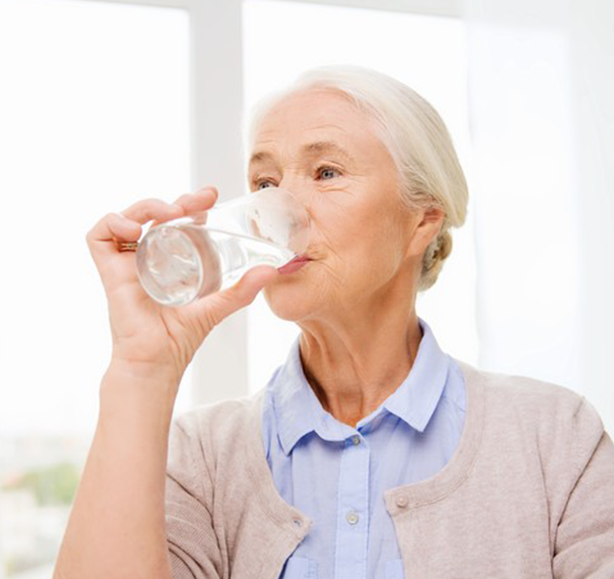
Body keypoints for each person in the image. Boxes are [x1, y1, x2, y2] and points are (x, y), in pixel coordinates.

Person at [53, 65, 614, 579]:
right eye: (266, 184)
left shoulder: (555, 436)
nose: (276, 215)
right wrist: (141, 370)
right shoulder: (202, 455)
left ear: (422, 220)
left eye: (326, 172)